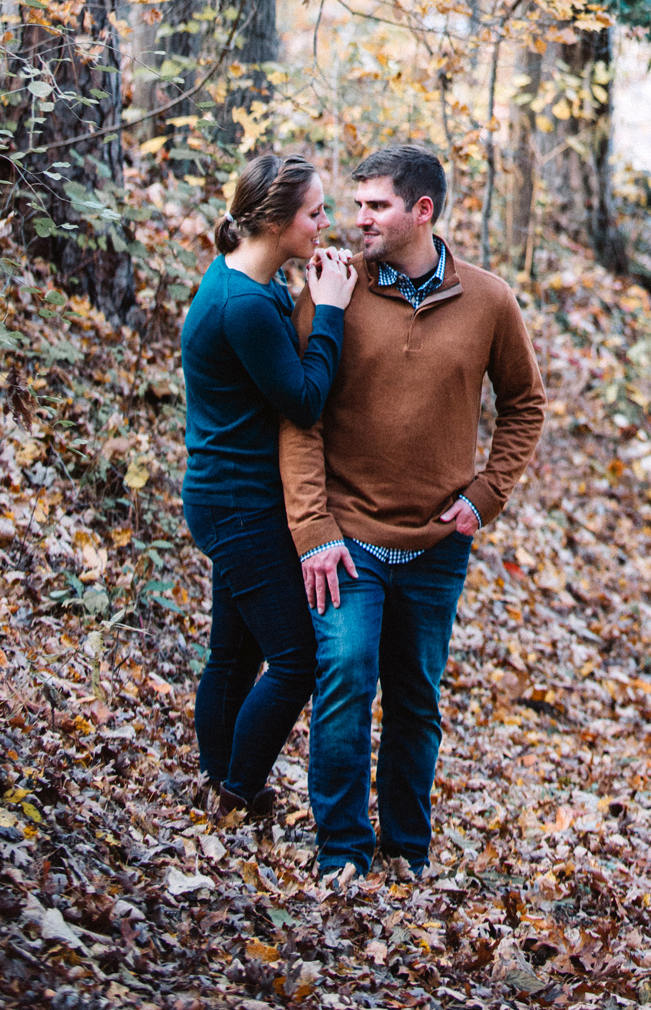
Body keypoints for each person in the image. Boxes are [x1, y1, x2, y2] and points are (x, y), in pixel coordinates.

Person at [280, 141, 546, 880]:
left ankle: (406, 850)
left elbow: (525, 403)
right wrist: (312, 531)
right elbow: (299, 417)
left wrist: (487, 494)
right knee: (344, 681)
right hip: (347, 538)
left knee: (416, 701)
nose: (357, 220)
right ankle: (342, 853)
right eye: (356, 205)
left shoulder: (489, 300)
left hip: (437, 544)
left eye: (375, 206)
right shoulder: (333, 290)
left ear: (421, 211)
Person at [180, 152, 358, 819]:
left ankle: (218, 783)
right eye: (315, 213)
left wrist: (304, 297)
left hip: (224, 496)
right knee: (295, 659)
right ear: (279, 221)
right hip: (240, 507)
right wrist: (332, 310)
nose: (325, 223)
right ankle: (238, 790)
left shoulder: (240, 285)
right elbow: (305, 400)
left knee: (231, 654)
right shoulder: (246, 308)